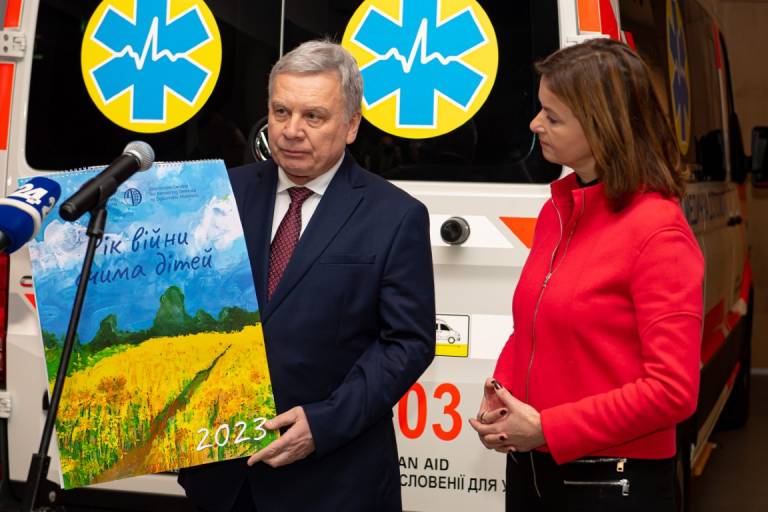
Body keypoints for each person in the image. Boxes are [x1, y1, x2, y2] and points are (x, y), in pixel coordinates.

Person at [178, 40, 435, 512]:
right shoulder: (218, 196)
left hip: (333, 481)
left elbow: (407, 343)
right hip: (221, 480)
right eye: (281, 112)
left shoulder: (395, 216)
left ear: (351, 125)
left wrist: (324, 423)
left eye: (313, 116)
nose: (292, 131)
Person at [469, 38, 704, 511]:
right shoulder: (558, 211)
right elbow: (533, 325)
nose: (536, 125)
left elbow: (672, 391)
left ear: (604, 127)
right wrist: (502, 391)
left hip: (611, 481)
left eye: (553, 117)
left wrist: (548, 428)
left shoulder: (658, 231)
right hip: (534, 467)